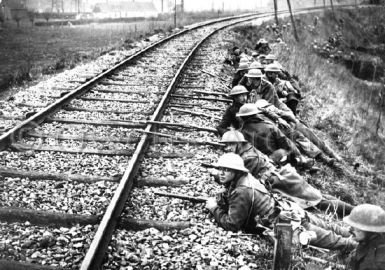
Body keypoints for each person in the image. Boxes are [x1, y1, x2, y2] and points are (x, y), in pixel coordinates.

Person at [205, 153, 357, 251]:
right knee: (331, 229)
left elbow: (232, 225)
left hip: (286, 224)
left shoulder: (241, 190)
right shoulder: (246, 178)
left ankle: (362, 247)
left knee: (335, 241)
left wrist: (214, 208)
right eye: (220, 169)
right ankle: (358, 236)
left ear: (236, 171)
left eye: (226, 170)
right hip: (288, 209)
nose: (221, 173)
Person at [220, 130, 354, 217]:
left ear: (238, 143)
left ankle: (354, 212)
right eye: (226, 145)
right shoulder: (247, 149)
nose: (227, 148)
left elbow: (242, 181)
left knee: (317, 202)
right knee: (318, 197)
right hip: (282, 176)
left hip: (280, 182)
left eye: (230, 145)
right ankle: (354, 210)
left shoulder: (247, 158)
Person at [255, 99, 342, 161]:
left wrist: (283, 116)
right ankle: (321, 157)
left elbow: (289, 116)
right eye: (266, 107)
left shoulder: (269, 110)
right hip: (283, 132)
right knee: (300, 137)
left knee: (306, 134)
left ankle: (329, 154)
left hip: (287, 127)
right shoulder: (263, 114)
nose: (268, 108)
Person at [236, 104, 314, 169]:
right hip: (274, 158)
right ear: (256, 114)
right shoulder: (269, 126)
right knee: (287, 147)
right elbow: (285, 143)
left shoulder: (240, 133)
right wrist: (297, 155)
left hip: (257, 162)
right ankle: (301, 162)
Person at [344, 204, 385, 270]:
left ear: (368, 230)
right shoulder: (368, 242)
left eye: (355, 228)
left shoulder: (377, 261)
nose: (350, 230)